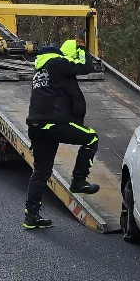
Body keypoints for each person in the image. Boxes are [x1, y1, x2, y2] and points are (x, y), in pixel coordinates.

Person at [23, 37, 100, 231]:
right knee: (91, 138)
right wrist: (83, 48)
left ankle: (31, 217)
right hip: (55, 123)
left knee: (41, 172)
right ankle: (78, 181)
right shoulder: (57, 62)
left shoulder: (39, 70)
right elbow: (85, 67)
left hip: (37, 126)